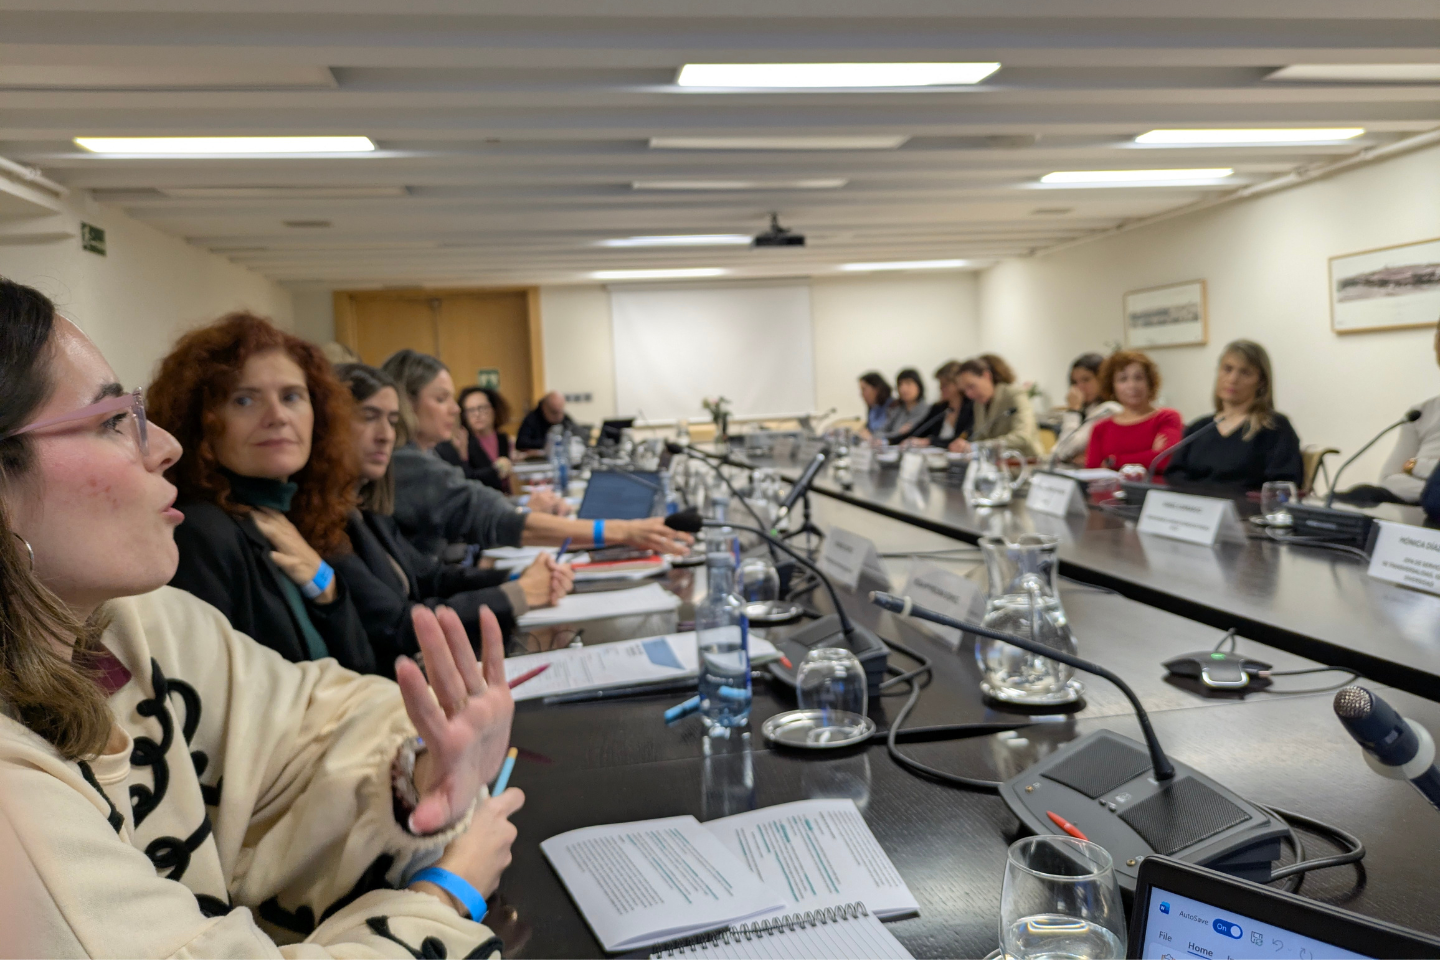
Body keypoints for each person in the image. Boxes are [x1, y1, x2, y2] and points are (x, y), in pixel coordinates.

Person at [0, 277, 521, 956]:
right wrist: (443, 899)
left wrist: (418, 768)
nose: (163, 448)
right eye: (110, 421)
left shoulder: (136, 622)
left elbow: (310, 717)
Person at [148, 314, 375, 673]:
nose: (277, 416)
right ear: (200, 422)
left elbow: (362, 667)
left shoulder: (294, 513)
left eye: (292, 396)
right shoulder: (201, 532)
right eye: (244, 400)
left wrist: (325, 586)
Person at [333, 363, 572, 669]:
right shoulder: (327, 523)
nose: (386, 436)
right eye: (369, 418)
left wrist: (516, 578)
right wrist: (518, 592)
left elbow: (430, 577)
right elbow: (399, 625)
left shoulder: (364, 506)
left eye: (392, 421)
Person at [380, 349, 693, 559]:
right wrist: (625, 530)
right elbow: (493, 517)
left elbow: (472, 503)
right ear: (405, 402)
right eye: (441, 398)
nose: (456, 408)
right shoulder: (407, 464)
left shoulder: (423, 456)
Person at [1164, 339, 1304, 490]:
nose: (1233, 379)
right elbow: (1174, 475)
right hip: (1197, 509)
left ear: (1261, 382)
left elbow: (1283, 484)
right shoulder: (1198, 428)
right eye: (1227, 369)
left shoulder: (1275, 427)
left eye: (1245, 373)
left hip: (1247, 512)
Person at [1085, 350, 1185, 471]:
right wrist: (1149, 454)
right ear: (1112, 386)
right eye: (1123, 379)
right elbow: (1092, 472)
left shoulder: (1167, 417)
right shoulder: (1101, 428)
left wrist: (1114, 461)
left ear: (1150, 382)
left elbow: (1165, 460)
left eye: (1138, 378)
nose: (1132, 385)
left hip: (1152, 489)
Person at [1378, 319, 1440, 503]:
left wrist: (1417, 466)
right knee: (1361, 494)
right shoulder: (1421, 413)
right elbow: (1388, 480)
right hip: (1417, 510)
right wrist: (1432, 493)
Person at [950, 354, 1042, 457]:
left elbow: (1024, 436)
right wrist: (965, 446)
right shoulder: (978, 404)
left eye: (971, 386)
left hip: (1024, 463)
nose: (969, 394)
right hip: (996, 465)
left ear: (986, 376)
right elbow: (980, 437)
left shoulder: (1014, 394)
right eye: (965, 390)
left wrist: (977, 446)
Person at [437, 385, 514, 492]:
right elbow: (466, 479)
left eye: (482, 408)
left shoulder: (503, 439)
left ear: (493, 409)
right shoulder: (462, 440)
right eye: (471, 410)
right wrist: (496, 470)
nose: (477, 414)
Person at [1051, 353, 1122, 466]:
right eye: (1074, 382)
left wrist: (1073, 410)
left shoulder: (1109, 409)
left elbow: (1065, 450)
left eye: (1086, 380)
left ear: (1102, 379)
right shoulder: (1089, 409)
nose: (1079, 387)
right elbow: (1057, 453)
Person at [899, 360, 974, 446]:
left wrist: (929, 441)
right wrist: (888, 441)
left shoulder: (971, 408)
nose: (940, 388)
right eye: (940, 384)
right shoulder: (938, 409)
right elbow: (917, 431)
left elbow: (964, 439)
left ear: (958, 384)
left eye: (945, 384)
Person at [514, 390, 577, 455]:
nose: (559, 416)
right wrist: (548, 443)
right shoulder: (531, 420)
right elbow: (521, 443)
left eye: (561, 411)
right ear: (544, 407)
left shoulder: (564, 418)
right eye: (554, 412)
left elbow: (579, 434)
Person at [884, 368, 929, 439]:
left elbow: (907, 434)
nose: (903, 388)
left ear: (919, 386)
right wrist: (895, 434)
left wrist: (893, 435)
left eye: (908, 383)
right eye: (900, 384)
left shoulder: (928, 410)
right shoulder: (897, 410)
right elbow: (879, 432)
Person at [857, 371, 895, 437]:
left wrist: (871, 437)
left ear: (876, 389)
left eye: (864, 389)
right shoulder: (872, 409)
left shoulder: (894, 406)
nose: (861, 394)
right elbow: (868, 430)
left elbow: (894, 433)